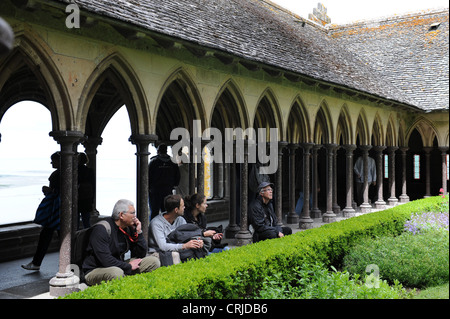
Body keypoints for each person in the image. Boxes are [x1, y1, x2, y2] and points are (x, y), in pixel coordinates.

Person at [82, 199, 160, 286]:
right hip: (96, 270)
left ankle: (137, 287)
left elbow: (141, 253)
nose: (135, 216)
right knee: (116, 272)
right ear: (121, 215)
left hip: (119, 265)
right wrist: (129, 266)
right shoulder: (101, 229)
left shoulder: (127, 228)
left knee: (153, 261)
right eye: (132, 213)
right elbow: (106, 260)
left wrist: (138, 232)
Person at [22, 152, 61, 271]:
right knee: (59, 236)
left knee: (47, 235)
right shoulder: (65, 173)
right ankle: (37, 262)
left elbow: (58, 192)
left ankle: (36, 263)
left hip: (56, 211)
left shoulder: (57, 174)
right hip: (59, 211)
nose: (51, 163)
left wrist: (49, 191)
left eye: (53, 160)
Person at [148, 194, 203, 265]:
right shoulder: (156, 223)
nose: (184, 207)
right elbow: (163, 246)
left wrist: (197, 241)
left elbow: (186, 236)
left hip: (176, 248)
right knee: (175, 255)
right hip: (157, 252)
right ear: (176, 210)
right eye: (182, 206)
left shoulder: (180, 220)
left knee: (195, 250)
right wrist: (184, 246)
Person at [148, 144, 180, 220]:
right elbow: (177, 176)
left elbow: (148, 176)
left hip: (155, 191)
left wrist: (149, 187)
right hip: (167, 190)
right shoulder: (172, 163)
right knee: (166, 211)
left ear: (158, 151)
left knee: (154, 211)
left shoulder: (154, 162)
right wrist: (174, 185)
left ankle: (153, 227)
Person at [77, 152, 95, 229]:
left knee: (75, 220)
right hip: (87, 198)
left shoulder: (75, 170)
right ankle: (88, 236)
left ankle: (75, 238)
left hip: (77, 197)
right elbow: (93, 185)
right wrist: (92, 199)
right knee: (86, 220)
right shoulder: (89, 171)